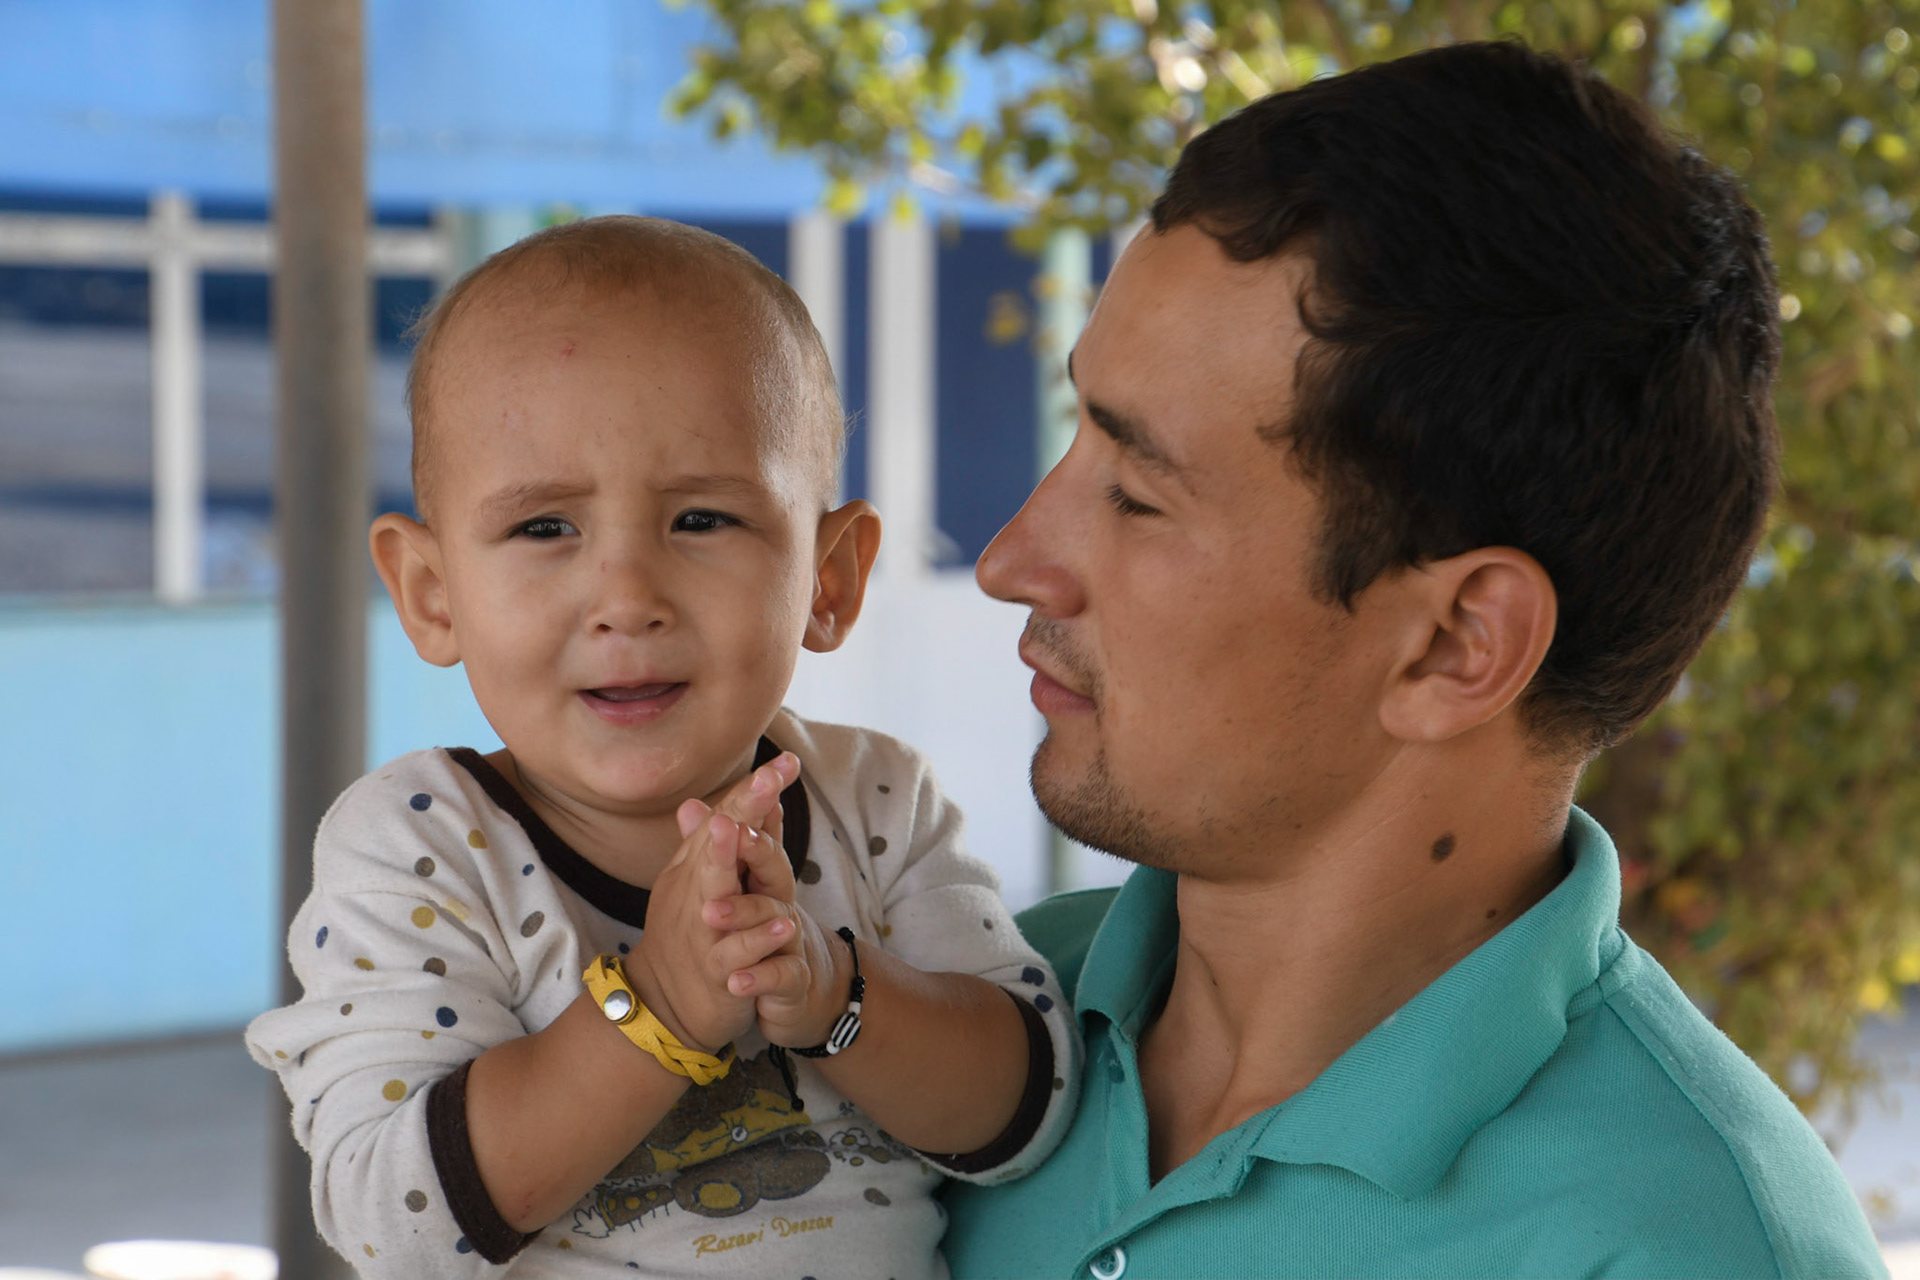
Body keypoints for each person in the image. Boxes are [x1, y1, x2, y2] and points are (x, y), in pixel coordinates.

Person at [942, 39, 1888, 1280]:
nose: (1011, 558)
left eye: (1137, 493)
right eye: (1078, 432)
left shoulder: (1691, 1246)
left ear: (1455, 644)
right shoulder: (955, 1019)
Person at [245, 216, 1079, 1278]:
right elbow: (391, 1217)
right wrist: (660, 1006)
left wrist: (835, 992)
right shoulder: (422, 848)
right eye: (545, 527)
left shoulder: (875, 797)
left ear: (828, 579)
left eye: (701, 520)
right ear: (432, 591)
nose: (628, 597)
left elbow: (1026, 1110)